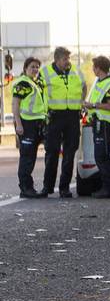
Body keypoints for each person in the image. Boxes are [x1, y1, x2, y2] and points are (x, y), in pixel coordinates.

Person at [37, 46, 86, 198]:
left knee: (70, 152)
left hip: (72, 116)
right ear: (57, 60)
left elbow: (84, 86)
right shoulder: (45, 73)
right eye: (65, 59)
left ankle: (64, 188)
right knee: (51, 152)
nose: (67, 62)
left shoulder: (76, 71)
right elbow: (38, 93)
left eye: (68, 59)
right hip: (54, 116)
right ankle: (48, 187)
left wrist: (81, 101)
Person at [84, 55, 110, 199]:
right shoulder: (99, 82)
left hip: (105, 125)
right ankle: (105, 187)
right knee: (101, 157)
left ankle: (108, 189)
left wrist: (92, 105)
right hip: (99, 124)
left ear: (98, 68)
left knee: (102, 157)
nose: (93, 69)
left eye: (94, 67)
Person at [11, 57, 48, 199]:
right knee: (27, 157)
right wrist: (18, 124)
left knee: (32, 156)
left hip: (37, 123)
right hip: (26, 124)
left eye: (37, 67)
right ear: (25, 68)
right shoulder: (23, 83)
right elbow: (15, 105)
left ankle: (29, 187)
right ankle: (25, 188)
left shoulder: (36, 83)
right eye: (32, 67)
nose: (35, 69)